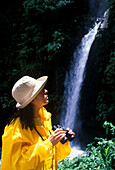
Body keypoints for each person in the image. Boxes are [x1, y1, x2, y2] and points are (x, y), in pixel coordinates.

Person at [1, 75, 75, 170]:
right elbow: (19, 164)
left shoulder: (44, 118)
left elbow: (54, 156)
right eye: (41, 90)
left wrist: (62, 140)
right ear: (32, 99)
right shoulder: (15, 129)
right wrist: (49, 143)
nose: (46, 91)